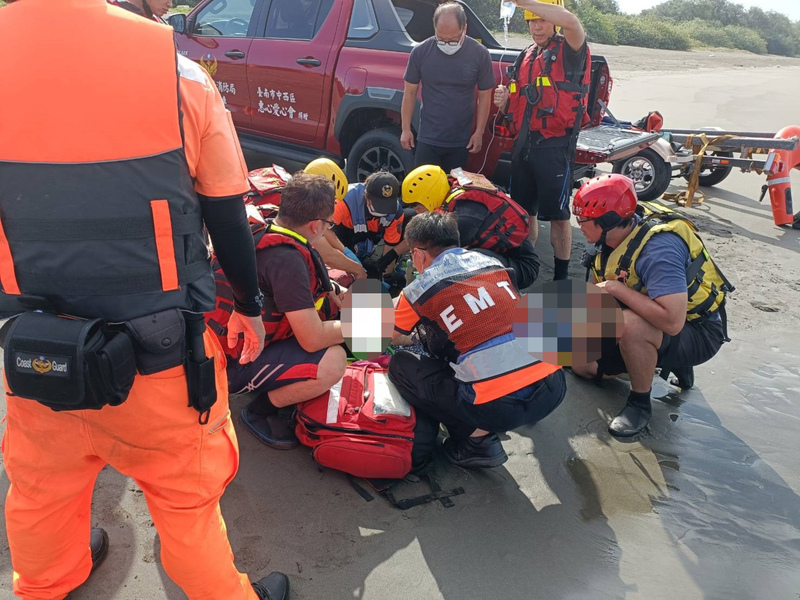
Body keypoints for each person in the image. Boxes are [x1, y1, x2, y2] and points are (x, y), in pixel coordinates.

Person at [0, 2, 287, 599]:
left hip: (37, 350)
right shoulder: (176, 72)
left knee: (40, 490)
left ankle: (50, 582)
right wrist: (250, 307)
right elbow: (227, 214)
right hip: (160, 357)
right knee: (186, 503)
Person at [388, 212, 566, 468]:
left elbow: (389, 335)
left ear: (418, 254)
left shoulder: (420, 287)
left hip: (498, 408)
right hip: (553, 389)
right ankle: (502, 413)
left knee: (402, 365)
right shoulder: (490, 262)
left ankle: (475, 440)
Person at [570, 175, 733, 437]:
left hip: (697, 330)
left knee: (629, 326)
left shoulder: (659, 251)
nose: (578, 225)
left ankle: (639, 403)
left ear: (609, 221)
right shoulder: (617, 232)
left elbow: (672, 321)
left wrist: (614, 288)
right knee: (582, 366)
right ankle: (665, 357)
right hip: (659, 314)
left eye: (582, 221)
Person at [217, 173, 349, 450]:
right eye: (328, 224)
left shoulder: (265, 226)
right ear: (316, 225)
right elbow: (311, 339)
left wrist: (334, 289)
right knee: (334, 359)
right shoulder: (287, 259)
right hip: (226, 366)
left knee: (349, 304)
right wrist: (363, 324)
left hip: (217, 343)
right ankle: (258, 411)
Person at [493, 0, 590, 281]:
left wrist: (522, 1)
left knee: (559, 217)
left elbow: (571, 21)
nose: (537, 26)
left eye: (542, 20)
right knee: (524, 212)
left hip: (554, 146)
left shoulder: (570, 48)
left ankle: (560, 278)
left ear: (553, 21)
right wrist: (503, 102)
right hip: (524, 147)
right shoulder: (526, 55)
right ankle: (525, 267)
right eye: (532, 21)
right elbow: (515, 109)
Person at [401, 164, 540, 289]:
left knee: (453, 263)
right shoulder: (451, 190)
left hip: (522, 268)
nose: (415, 210)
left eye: (416, 205)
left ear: (428, 197)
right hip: (503, 255)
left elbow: (442, 258)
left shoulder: (464, 216)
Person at [400, 1, 496, 172]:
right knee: (423, 191)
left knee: (454, 192)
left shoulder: (479, 54)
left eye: (452, 40)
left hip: (461, 141)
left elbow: (484, 96)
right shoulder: (420, 52)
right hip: (428, 138)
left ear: (464, 29)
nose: (446, 44)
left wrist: (479, 132)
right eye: (441, 38)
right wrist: (405, 129)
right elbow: (409, 93)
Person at [332, 170, 407, 276]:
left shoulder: (395, 213)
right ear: (366, 196)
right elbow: (328, 237)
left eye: (387, 205)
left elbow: (390, 248)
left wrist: (386, 277)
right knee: (346, 273)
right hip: (343, 231)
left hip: (371, 233)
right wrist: (349, 259)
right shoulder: (343, 201)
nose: (383, 211)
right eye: (379, 205)